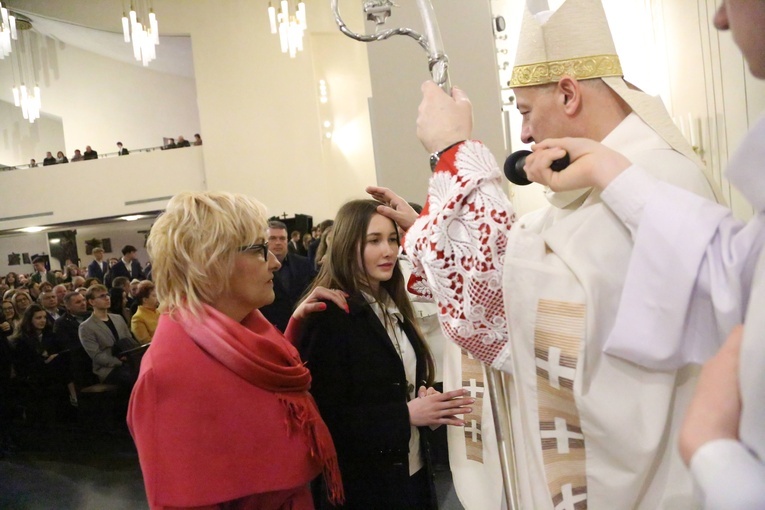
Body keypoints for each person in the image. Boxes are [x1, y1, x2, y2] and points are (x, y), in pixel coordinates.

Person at [372, 0, 725, 508]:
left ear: (568, 93)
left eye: (525, 111)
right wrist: (435, 226)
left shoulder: (657, 180)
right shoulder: (594, 188)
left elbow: (513, 313)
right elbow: (518, 264)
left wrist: (453, 151)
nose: (524, 135)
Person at [515, 1, 765, 506]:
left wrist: (713, 453)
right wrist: (609, 171)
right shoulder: (619, 174)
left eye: (524, 111)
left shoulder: (666, 174)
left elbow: (622, 359)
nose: (717, 17)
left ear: (568, 92)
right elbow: (729, 268)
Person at [127, 190, 345, 509]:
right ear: (211, 262)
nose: (274, 262)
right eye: (259, 250)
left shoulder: (251, 334)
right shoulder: (167, 376)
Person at [297, 199, 472, 509]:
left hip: (411, 469)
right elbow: (325, 420)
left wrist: (422, 400)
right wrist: (406, 415)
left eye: (392, 239)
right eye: (374, 241)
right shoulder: (329, 315)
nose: (389, 250)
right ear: (348, 245)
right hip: (365, 485)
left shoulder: (392, 305)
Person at [259, 221, 316, 332]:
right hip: (271, 329)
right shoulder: (257, 266)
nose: (278, 242)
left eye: (282, 238)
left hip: (303, 326)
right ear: (265, 241)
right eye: (273, 238)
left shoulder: (303, 263)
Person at [78, 284, 138, 389]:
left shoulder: (117, 318)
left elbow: (128, 340)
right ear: (91, 302)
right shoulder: (86, 327)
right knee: (134, 378)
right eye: (102, 296)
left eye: (107, 295)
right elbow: (97, 356)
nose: (107, 298)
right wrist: (120, 362)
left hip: (128, 362)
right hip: (108, 369)